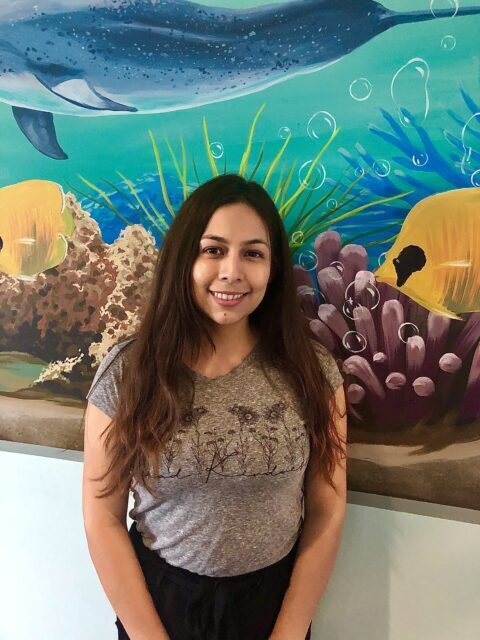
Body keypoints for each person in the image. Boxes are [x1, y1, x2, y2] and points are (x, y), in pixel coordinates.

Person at [82, 173, 347, 640]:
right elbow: (102, 517)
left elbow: (328, 507)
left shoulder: (312, 370)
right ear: (185, 258)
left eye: (253, 253)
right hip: (160, 602)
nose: (232, 271)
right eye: (213, 250)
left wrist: (288, 633)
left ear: (273, 268)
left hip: (273, 602)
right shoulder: (128, 371)